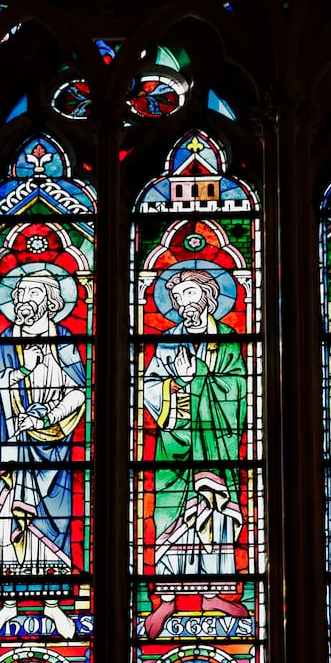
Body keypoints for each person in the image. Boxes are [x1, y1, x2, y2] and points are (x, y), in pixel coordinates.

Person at [140, 268, 250, 638]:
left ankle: (213, 593)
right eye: (177, 299)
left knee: (216, 515)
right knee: (172, 516)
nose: (183, 305)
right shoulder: (168, 341)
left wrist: (199, 373)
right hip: (175, 446)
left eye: (189, 296)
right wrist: (178, 384)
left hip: (217, 444)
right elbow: (151, 388)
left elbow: (236, 390)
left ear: (207, 298)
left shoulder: (229, 340)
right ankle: (167, 598)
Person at [0, 269, 87, 639]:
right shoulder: (5, 342)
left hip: (53, 448)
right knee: (5, 524)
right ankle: (7, 604)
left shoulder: (66, 341)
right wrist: (10, 383)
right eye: (19, 294)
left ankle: (53, 604)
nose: (22, 301)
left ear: (52, 302)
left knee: (52, 523)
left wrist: (44, 414)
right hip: (10, 447)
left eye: (31, 294)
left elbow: (79, 393)